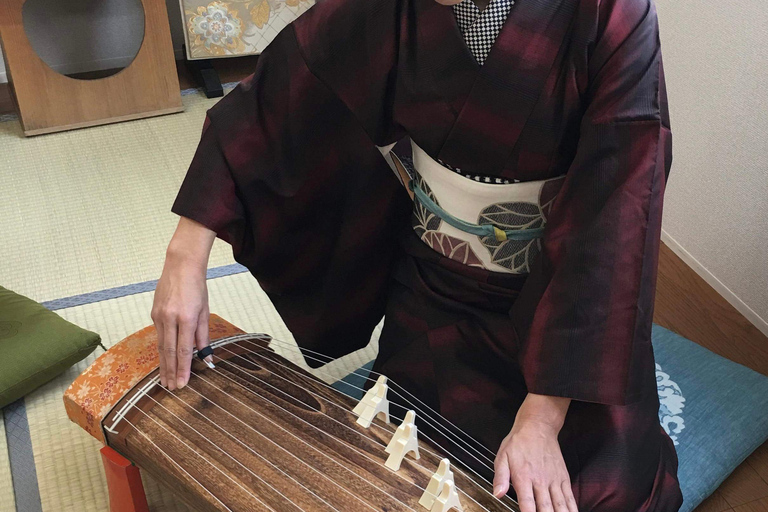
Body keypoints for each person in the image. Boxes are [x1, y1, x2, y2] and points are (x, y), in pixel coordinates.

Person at [151, 0, 684, 509]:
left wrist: (543, 419)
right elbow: (280, 93)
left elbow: (617, 210)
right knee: (403, 460)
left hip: (562, 307)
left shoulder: (611, 13)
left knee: (600, 489)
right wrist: (185, 254)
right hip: (439, 293)